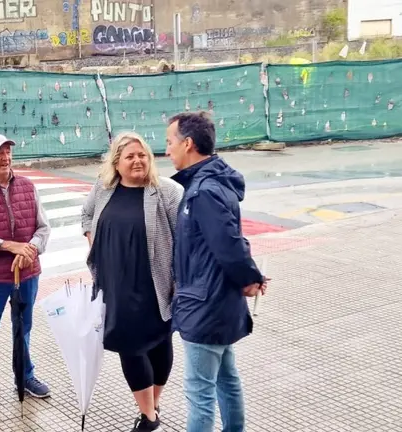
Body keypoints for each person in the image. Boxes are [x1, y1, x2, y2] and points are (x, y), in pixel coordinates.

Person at [166, 112, 268, 432]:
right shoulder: (212, 183)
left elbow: (228, 244)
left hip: (205, 305)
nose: (167, 150)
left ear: (187, 143)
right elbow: (231, 240)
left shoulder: (203, 191)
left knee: (200, 393)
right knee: (226, 379)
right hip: (217, 300)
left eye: (170, 142)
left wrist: (250, 278)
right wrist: (250, 277)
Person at [81, 132, 183, 432]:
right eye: (130, 156)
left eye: (142, 155)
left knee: (160, 343)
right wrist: (93, 241)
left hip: (155, 284)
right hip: (116, 285)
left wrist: (181, 283)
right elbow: (86, 216)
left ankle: (152, 404)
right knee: (130, 346)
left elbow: (186, 238)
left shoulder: (166, 192)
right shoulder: (103, 189)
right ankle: (149, 416)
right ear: (116, 163)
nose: (137, 161)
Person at [0, 134, 51, 411]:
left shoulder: (28, 186)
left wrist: (30, 250)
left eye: (8, 151)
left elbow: (43, 228)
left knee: (23, 328)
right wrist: (8, 246)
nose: (5, 157)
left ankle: (26, 376)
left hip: (27, 273)